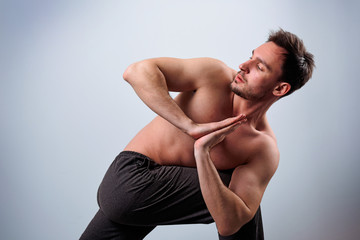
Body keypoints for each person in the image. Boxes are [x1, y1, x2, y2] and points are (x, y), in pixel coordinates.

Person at [80, 29, 314, 240]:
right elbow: (136, 72)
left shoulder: (262, 148)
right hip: (130, 179)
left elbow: (228, 224)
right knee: (239, 203)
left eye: (259, 67)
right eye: (251, 56)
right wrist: (189, 126)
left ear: (280, 88)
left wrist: (202, 151)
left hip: (146, 203)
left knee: (240, 207)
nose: (244, 65)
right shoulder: (214, 76)